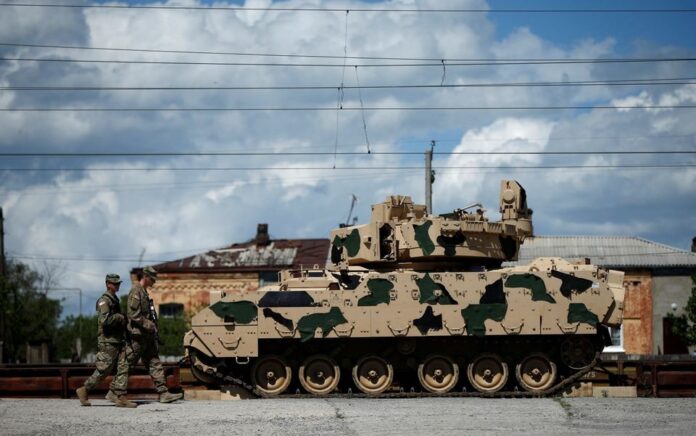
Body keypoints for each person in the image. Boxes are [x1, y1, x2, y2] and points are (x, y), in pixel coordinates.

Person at [76, 273, 137, 408]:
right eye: (115, 283)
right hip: (108, 341)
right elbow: (105, 320)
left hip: (117, 340)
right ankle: (84, 389)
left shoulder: (114, 299)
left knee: (124, 365)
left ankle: (120, 396)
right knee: (104, 370)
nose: (117, 285)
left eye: (118, 283)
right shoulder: (104, 300)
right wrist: (120, 317)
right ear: (108, 284)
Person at [126, 265, 183, 403]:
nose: (154, 282)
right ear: (145, 277)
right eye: (153, 279)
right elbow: (133, 315)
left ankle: (163, 393)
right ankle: (114, 391)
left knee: (154, 363)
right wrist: (149, 324)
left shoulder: (144, 292)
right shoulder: (136, 291)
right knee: (127, 364)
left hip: (146, 335)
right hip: (138, 336)